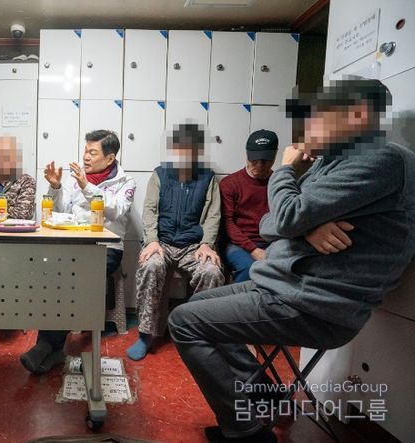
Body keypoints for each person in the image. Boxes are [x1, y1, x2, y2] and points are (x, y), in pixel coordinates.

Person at [168, 78, 415, 443]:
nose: (306, 128)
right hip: (284, 285)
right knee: (196, 306)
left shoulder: (382, 160)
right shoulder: (332, 163)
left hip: (315, 304)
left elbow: (283, 218)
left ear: (358, 115)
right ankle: (266, 395)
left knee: (184, 322)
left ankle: (246, 434)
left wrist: (285, 171)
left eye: (317, 116)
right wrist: (305, 226)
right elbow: (271, 224)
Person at [20, 129, 136, 375]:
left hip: (106, 249)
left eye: (93, 152)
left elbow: (115, 210)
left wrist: (86, 186)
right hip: (74, 245)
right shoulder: (77, 178)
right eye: (85, 150)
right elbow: (60, 212)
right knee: (50, 275)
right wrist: (56, 187)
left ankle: (46, 346)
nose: (86, 157)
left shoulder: (125, 183)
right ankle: (52, 349)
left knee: (70, 278)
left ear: (110, 158)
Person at [126, 123, 225, 361]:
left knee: (212, 272)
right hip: (162, 243)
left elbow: (213, 215)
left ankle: (197, 334)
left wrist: (207, 243)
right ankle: (146, 335)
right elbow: (149, 210)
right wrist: (152, 240)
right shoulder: (160, 174)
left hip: (194, 245)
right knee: (151, 266)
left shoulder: (208, 178)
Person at [219, 129, 279, 282]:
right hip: (237, 244)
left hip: (272, 242)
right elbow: (228, 223)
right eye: (254, 160)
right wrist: (253, 249)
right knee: (249, 269)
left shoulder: (280, 183)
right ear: (247, 155)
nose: (259, 166)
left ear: (274, 157)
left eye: (265, 161)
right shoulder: (230, 184)